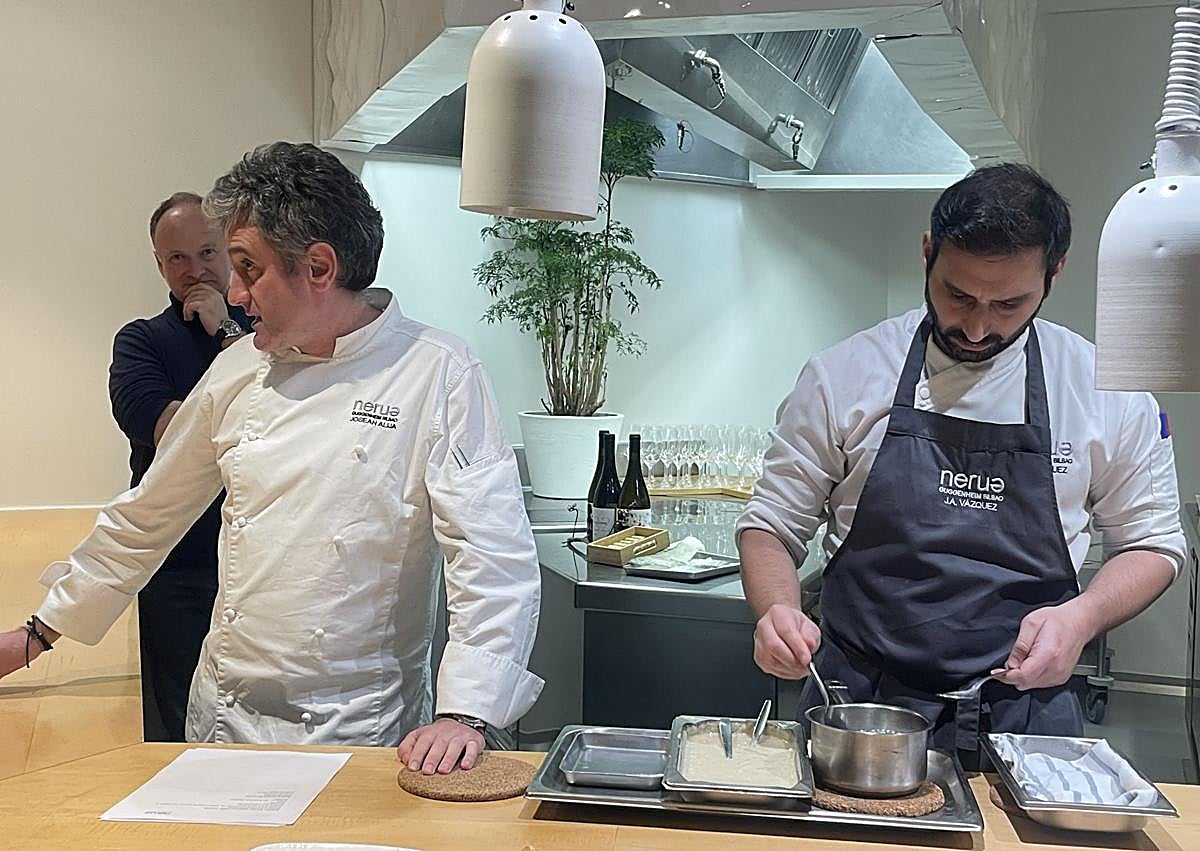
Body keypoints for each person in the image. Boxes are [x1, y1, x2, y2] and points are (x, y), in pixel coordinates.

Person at [2, 142, 543, 776]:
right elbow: (148, 516)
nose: (234, 291)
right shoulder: (238, 370)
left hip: (359, 731)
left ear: (318, 266)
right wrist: (37, 634)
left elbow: (490, 557)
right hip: (225, 720)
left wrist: (465, 713)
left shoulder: (438, 371)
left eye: (247, 268)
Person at [738, 163, 1185, 768]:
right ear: (928, 253)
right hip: (860, 710)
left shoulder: (1106, 393)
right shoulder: (843, 376)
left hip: (1027, 715)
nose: (977, 326)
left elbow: (1152, 543)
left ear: (1055, 273)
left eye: (1008, 304)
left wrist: (1082, 618)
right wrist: (777, 610)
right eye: (958, 295)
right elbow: (771, 524)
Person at [109, 192, 251, 741]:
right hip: (178, 564)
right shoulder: (140, 342)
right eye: (177, 259)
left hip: (258, 562)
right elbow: (172, 435)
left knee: (251, 725)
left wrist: (228, 333)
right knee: (175, 722)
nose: (195, 271)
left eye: (207, 252)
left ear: (230, 249)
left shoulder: (269, 337)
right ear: (159, 263)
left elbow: (289, 418)